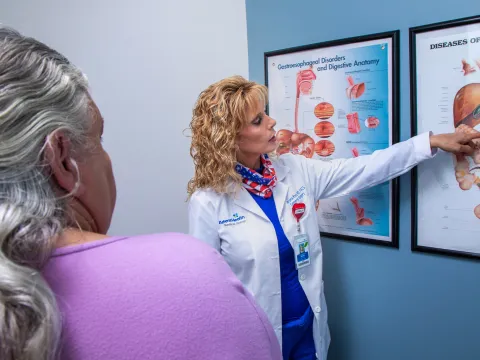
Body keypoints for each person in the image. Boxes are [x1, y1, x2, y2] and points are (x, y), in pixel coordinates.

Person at [0, 28, 282, 360]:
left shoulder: (287, 171)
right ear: (62, 157)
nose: (271, 124)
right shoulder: (186, 268)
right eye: (98, 139)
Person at [187, 76, 480, 360]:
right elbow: (207, 295)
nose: (271, 121)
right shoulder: (209, 202)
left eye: (265, 113)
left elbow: (365, 168)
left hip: (306, 329)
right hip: (252, 339)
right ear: (230, 137)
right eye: (257, 120)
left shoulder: (295, 171)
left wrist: (432, 141)